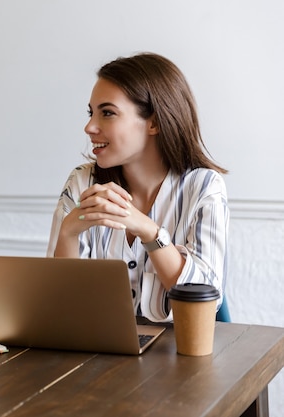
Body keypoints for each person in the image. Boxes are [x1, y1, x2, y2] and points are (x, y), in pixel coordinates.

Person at [47, 53, 228, 322]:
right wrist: (68, 235)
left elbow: (206, 300)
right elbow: (60, 307)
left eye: (107, 113)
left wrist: (148, 231)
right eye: (91, 112)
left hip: (178, 357)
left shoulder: (204, 187)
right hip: (94, 355)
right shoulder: (81, 183)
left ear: (153, 122)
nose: (89, 126)